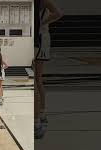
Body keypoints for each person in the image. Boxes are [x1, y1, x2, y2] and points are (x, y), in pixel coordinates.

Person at [34, 0, 63, 139]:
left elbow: (58, 13)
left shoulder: (44, 1)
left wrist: (44, 21)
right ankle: (41, 113)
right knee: (37, 79)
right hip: (38, 39)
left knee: (37, 79)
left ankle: (41, 114)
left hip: (42, 39)